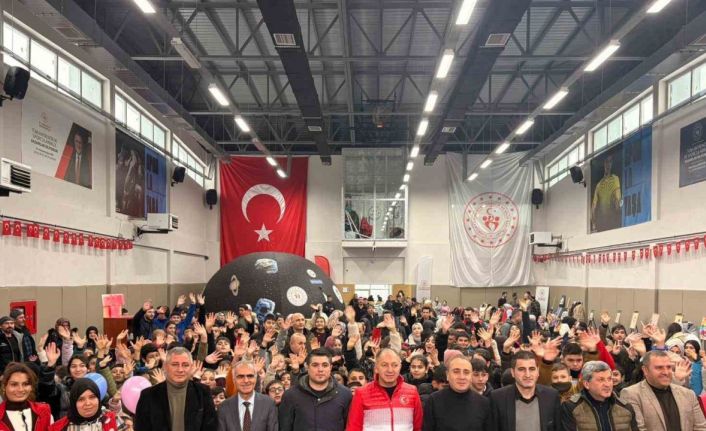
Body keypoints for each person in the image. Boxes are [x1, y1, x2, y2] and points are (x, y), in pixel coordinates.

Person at [135, 347, 217, 431]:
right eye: (175, 364)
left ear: (191, 367)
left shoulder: (203, 392)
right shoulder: (148, 395)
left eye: (185, 365)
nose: (180, 370)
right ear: (165, 366)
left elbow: (210, 427)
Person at [620, 350, 706, 431]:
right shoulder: (631, 394)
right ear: (645, 370)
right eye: (659, 368)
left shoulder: (688, 394)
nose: (666, 372)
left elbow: (701, 427)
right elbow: (638, 429)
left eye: (669, 367)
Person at [346, 348, 423, 431]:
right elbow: (353, 428)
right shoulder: (361, 393)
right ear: (376, 368)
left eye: (395, 365)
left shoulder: (412, 391)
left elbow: (417, 427)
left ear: (400, 367)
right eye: (384, 365)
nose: (390, 370)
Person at [278, 349, 352, 431]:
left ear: (330, 367)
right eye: (315, 365)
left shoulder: (345, 394)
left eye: (325, 365)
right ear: (307, 367)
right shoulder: (290, 396)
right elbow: (285, 427)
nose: (320, 369)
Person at [489, 351, 562, 431]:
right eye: (521, 369)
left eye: (532, 369)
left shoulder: (552, 396)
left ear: (538, 371)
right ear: (513, 372)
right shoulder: (498, 398)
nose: (527, 375)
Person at [561, 361, 638, 430]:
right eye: (601, 380)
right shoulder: (571, 407)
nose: (607, 384)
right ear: (586, 384)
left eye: (609, 379)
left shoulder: (626, 407)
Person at [423, 356, 490, 431]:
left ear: (471, 376)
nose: (462, 377)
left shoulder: (484, 403)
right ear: (447, 375)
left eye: (466, 372)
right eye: (456, 372)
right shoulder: (434, 401)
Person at [217, 361, 277, 431]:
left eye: (250, 376)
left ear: (255, 378)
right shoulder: (224, 407)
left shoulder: (269, 404)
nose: (246, 380)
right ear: (234, 380)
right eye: (240, 376)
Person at [49, 378, 117, 431]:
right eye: (81, 399)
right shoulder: (58, 428)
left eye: (92, 397)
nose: (88, 403)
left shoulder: (111, 420)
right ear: (73, 402)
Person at [0, 363, 52, 431]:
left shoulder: (44, 411)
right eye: (14, 384)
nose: (20, 389)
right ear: (4, 387)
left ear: (31, 387)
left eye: (25, 384)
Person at [591, 154, 621, 232]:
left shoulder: (615, 179)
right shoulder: (599, 185)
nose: (608, 164)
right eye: (606, 162)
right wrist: (594, 224)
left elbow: (618, 200)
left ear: (612, 164)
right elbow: (593, 206)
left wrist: (617, 204)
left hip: (612, 222)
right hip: (602, 224)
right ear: (604, 163)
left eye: (610, 162)